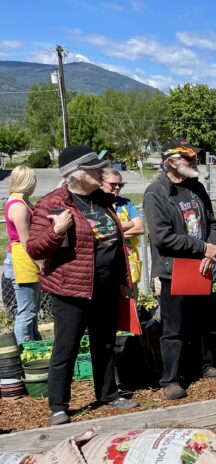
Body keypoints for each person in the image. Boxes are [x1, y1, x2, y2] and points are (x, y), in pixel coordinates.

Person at [27, 145, 138, 425]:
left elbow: (116, 241)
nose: (101, 171)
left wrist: (123, 280)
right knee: (67, 347)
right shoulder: (53, 204)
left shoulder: (101, 199)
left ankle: (107, 393)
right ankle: (59, 405)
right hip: (71, 289)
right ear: (76, 174)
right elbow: (34, 248)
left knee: (105, 343)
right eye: (94, 168)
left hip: (105, 286)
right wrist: (56, 230)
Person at [143, 138, 216, 401]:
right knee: (174, 326)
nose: (195, 162)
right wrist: (202, 248)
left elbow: (213, 223)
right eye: (188, 159)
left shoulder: (196, 188)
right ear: (171, 162)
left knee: (203, 321)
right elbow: (162, 237)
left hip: (201, 266)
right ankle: (170, 379)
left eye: (194, 158)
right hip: (174, 269)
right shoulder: (156, 192)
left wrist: (211, 249)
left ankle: (205, 365)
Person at [3, 166, 42, 343]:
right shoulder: (19, 206)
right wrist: (41, 263)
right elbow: (27, 242)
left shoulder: (22, 201)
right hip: (22, 261)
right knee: (26, 311)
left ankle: (35, 344)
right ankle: (24, 350)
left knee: (31, 311)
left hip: (24, 259)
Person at [101, 168, 144, 287]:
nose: (117, 187)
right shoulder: (96, 205)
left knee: (130, 302)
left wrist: (114, 236)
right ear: (101, 183)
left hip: (128, 261)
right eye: (113, 184)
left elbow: (140, 228)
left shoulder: (127, 203)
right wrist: (130, 224)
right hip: (106, 262)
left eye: (120, 184)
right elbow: (99, 232)